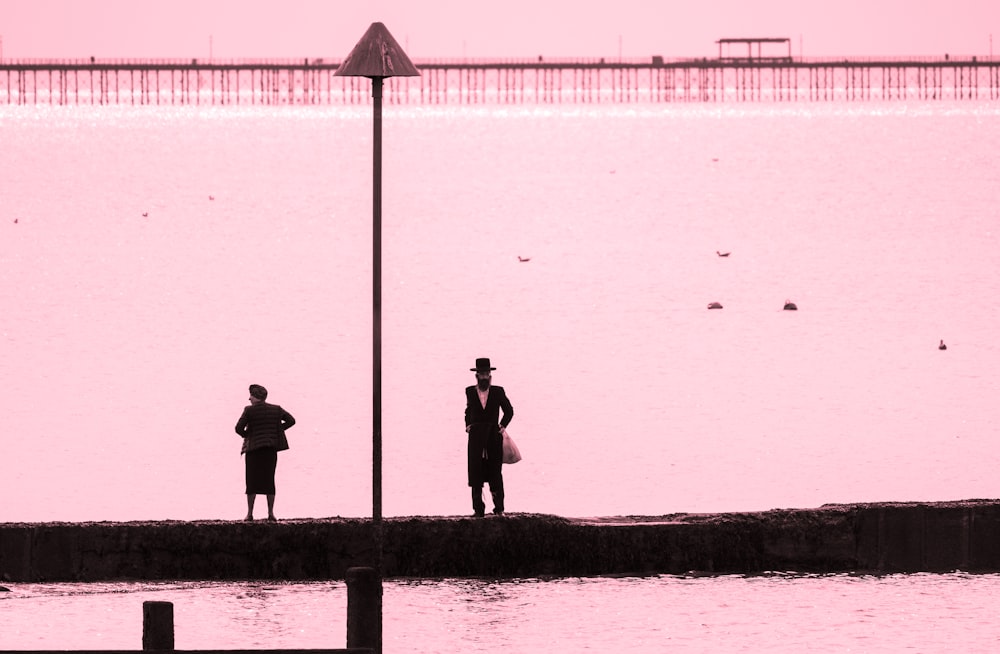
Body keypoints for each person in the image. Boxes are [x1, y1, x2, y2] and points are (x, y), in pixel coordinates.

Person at [235, 384, 295, 522]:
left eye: (250, 395)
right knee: (269, 480)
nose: (249, 398)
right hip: (270, 450)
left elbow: (238, 428)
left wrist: (247, 435)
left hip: (253, 450)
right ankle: (271, 514)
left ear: (255, 397)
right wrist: (277, 430)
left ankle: (249, 514)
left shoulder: (249, 410)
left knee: (251, 481)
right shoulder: (276, 409)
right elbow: (291, 421)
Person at [464, 358, 514, 517]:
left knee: (495, 471)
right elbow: (468, 411)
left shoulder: (498, 391)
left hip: (493, 434)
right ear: (477, 375)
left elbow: (509, 411)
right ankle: (478, 510)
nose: (485, 376)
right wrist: (468, 425)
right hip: (476, 435)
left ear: (490, 375)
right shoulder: (470, 391)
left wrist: (502, 425)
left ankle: (499, 509)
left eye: (487, 374)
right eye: (482, 374)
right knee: (475, 470)